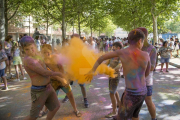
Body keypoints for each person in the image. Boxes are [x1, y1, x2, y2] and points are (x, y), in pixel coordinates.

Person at [85, 29, 151, 120]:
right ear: (140, 41)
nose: (142, 44)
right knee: (135, 115)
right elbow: (147, 74)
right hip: (143, 91)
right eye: (143, 42)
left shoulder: (122, 52)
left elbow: (101, 58)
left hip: (131, 93)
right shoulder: (146, 55)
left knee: (120, 117)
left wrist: (92, 71)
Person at [20, 36, 63, 120]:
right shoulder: (28, 60)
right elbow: (43, 72)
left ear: (35, 46)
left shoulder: (38, 55)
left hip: (48, 87)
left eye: (32, 48)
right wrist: (58, 74)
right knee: (33, 116)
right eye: (27, 49)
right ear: (23, 50)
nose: (30, 51)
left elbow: (46, 66)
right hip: (39, 91)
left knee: (55, 107)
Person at [40, 44, 82, 117]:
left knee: (70, 94)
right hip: (53, 81)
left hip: (62, 78)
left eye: (47, 51)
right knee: (50, 98)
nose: (46, 53)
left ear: (50, 51)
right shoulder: (43, 62)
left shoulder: (55, 57)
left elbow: (61, 68)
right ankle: (44, 110)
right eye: (44, 52)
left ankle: (75, 110)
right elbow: (50, 73)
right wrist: (61, 79)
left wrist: (64, 79)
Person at [62, 34, 89, 108]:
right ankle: (68, 96)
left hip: (79, 69)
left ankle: (85, 99)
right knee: (68, 84)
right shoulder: (69, 47)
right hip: (70, 69)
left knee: (82, 85)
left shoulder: (82, 47)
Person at [137, 27, 157, 120]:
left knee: (148, 101)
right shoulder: (135, 47)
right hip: (135, 80)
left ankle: (154, 118)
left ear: (144, 36)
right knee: (133, 103)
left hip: (146, 80)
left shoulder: (151, 49)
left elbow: (152, 67)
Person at [105, 42, 122, 118]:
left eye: (114, 47)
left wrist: (112, 70)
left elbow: (120, 65)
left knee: (111, 93)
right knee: (114, 91)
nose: (112, 48)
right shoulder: (112, 55)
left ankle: (114, 111)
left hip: (115, 76)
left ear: (118, 47)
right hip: (111, 76)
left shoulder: (120, 55)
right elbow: (106, 62)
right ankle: (118, 103)